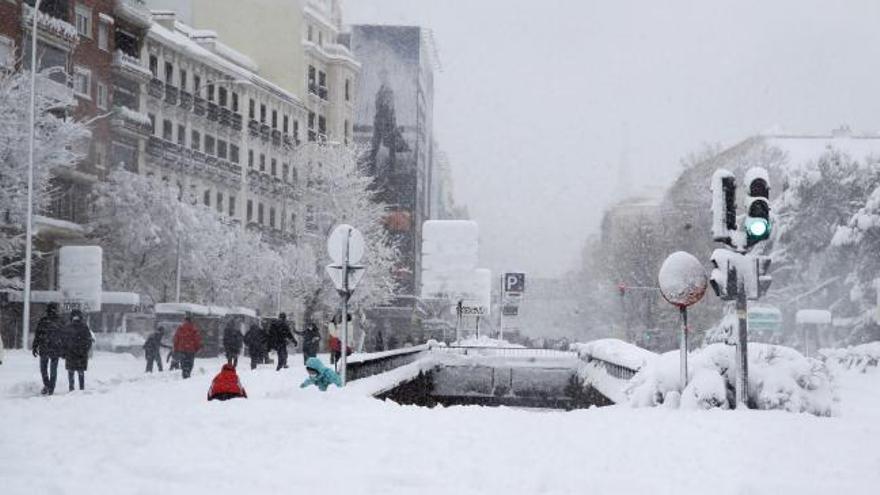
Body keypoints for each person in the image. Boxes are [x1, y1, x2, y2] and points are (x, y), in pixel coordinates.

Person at [32, 303, 65, 395]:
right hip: (55, 348)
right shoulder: (60, 321)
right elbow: (64, 336)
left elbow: (38, 335)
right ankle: (51, 388)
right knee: (53, 369)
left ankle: (47, 385)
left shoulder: (43, 321)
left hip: (44, 347)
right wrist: (64, 349)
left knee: (43, 368)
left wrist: (35, 347)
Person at [63, 309, 93, 392]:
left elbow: (63, 341)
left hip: (70, 353)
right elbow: (89, 340)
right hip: (81, 354)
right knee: (81, 372)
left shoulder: (68, 327)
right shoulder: (84, 327)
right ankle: (81, 388)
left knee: (71, 372)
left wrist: (64, 351)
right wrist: (85, 349)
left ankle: (71, 388)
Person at [173, 315, 202, 379]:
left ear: (184, 320)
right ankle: (188, 373)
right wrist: (197, 348)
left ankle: (184, 373)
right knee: (190, 363)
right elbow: (197, 340)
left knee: (183, 362)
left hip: (182, 349)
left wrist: (175, 349)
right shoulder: (194, 329)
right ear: (191, 321)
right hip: (191, 350)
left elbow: (176, 339)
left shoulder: (180, 328)